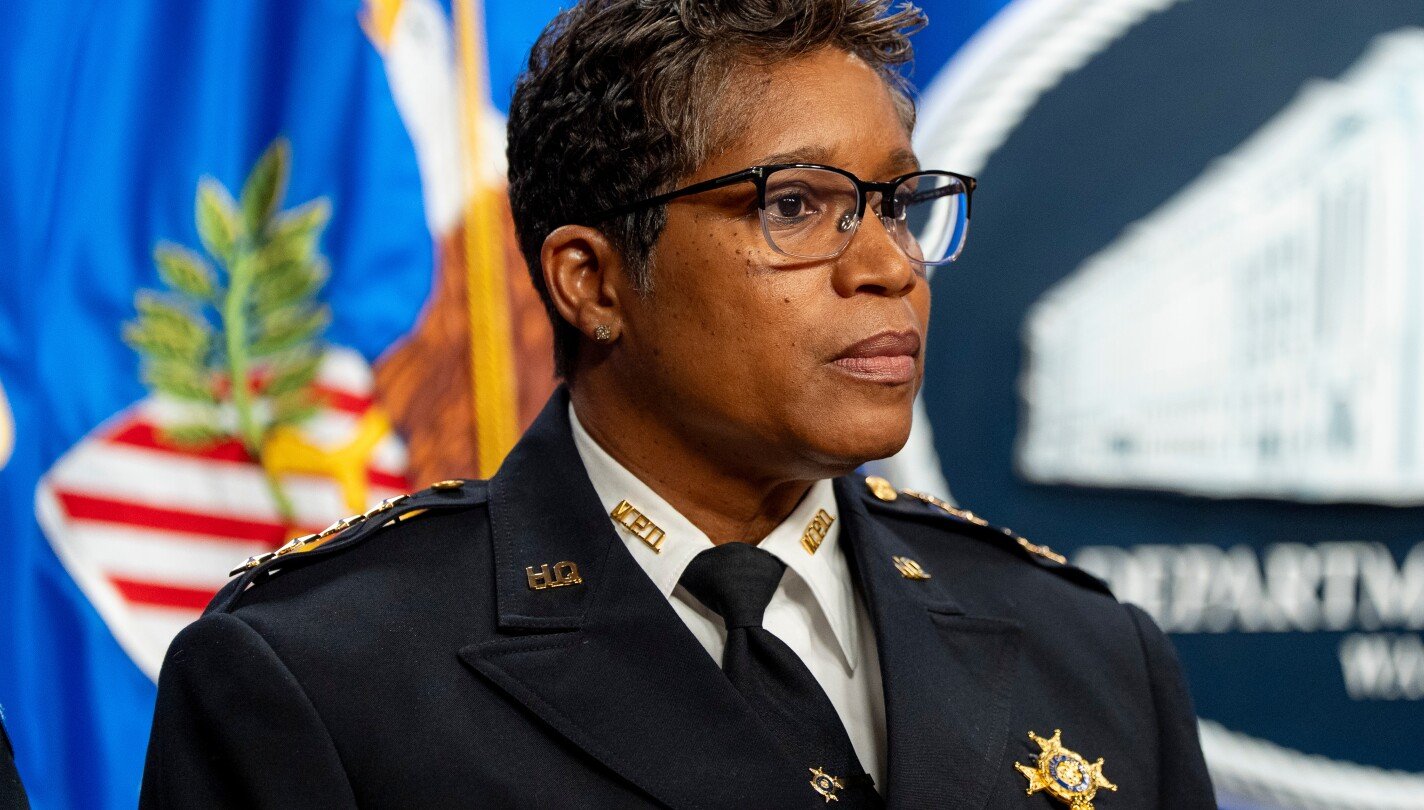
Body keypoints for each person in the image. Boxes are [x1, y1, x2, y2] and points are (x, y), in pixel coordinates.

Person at [141, 1, 1216, 807]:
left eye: (896, 204)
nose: (890, 266)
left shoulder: (1093, 652)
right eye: (797, 206)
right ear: (593, 282)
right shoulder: (323, 676)